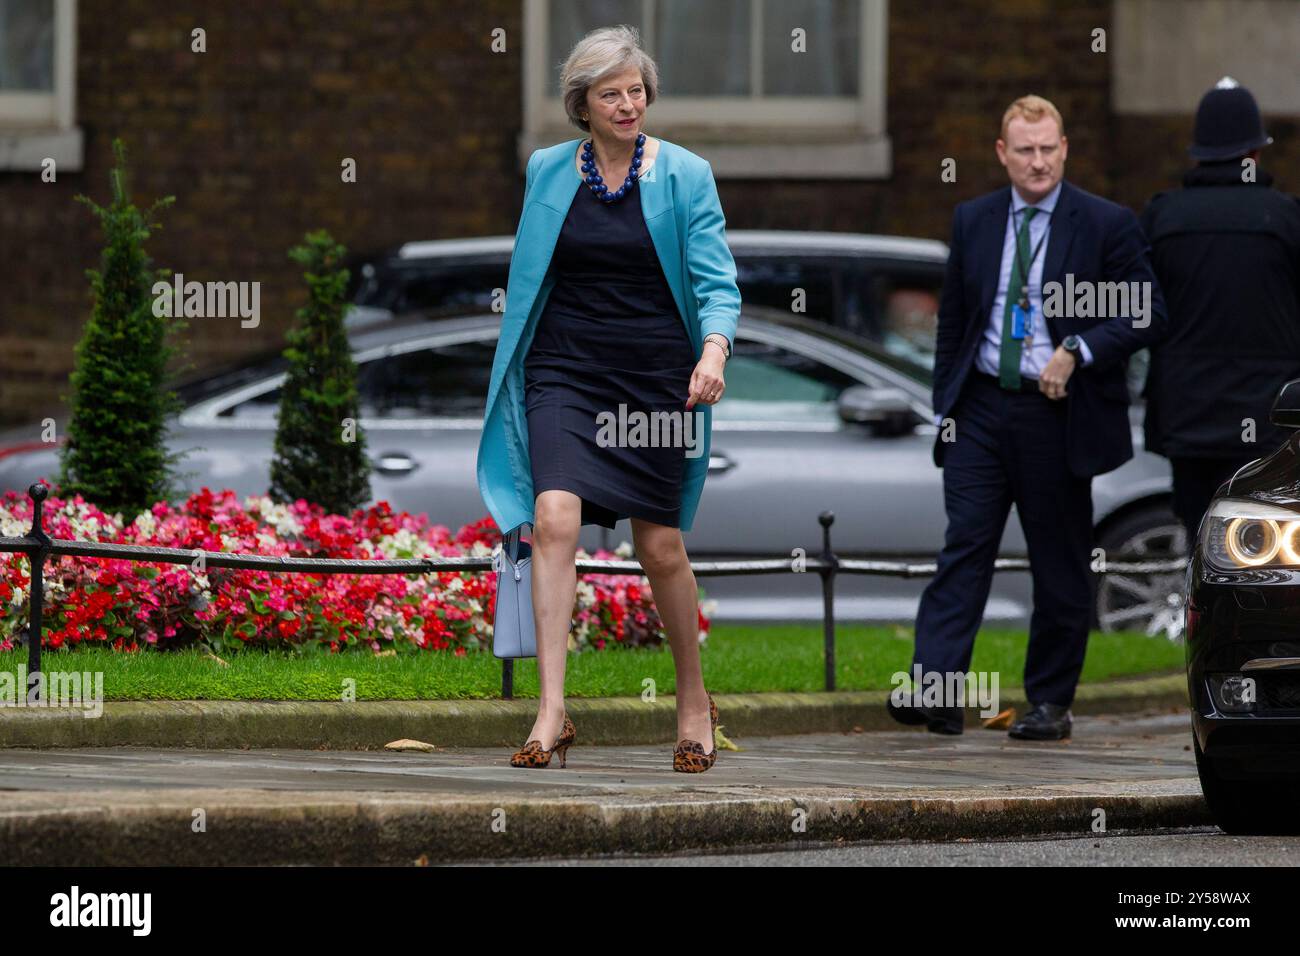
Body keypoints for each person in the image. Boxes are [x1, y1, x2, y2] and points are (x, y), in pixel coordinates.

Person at [476, 25, 741, 773]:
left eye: (636, 91)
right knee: (554, 518)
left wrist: (714, 350)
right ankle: (552, 709)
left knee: (658, 545)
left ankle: (693, 698)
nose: (628, 105)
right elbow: (533, 276)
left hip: (654, 377)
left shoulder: (685, 174)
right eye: (610, 94)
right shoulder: (548, 171)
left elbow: (718, 282)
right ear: (582, 105)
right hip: (565, 369)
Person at [889, 95, 1166, 741]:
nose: (1038, 162)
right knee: (964, 547)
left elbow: (1148, 311)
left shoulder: (1104, 224)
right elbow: (955, 318)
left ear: (1064, 149)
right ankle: (937, 690)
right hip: (981, 408)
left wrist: (1080, 349)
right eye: (1025, 150)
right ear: (1002, 153)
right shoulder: (975, 219)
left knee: (1058, 560)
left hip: (1057, 415)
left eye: (1048, 149)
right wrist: (946, 407)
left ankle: (1048, 702)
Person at [1141, 78, 1300, 545]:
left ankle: (1200, 617)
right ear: (1254, 153)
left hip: (1187, 419)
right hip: (1271, 418)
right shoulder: (1286, 218)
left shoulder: (1161, 218)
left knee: (1200, 539)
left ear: (1198, 153)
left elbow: (1140, 315)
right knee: (1265, 545)